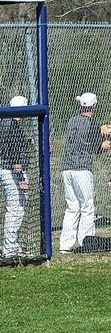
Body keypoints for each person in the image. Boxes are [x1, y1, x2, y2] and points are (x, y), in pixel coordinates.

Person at [60, 92, 110, 252]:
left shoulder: (71, 121)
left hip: (66, 167)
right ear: (94, 106)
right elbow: (96, 148)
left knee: (72, 207)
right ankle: (87, 242)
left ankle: (65, 245)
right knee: (87, 206)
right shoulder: (92, 125)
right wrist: (105, 144)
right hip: (82, 169)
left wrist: (98, 132)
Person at [0, 96, 32, 257]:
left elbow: (15, 144)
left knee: (18, 209)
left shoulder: (10, 123)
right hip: (13, 173)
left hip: (12, 172)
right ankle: (9, 248)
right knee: (15, 210)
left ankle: (13, 245)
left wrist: (28, 141)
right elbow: (13, 154)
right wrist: (21, 179)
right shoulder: (11, 124)